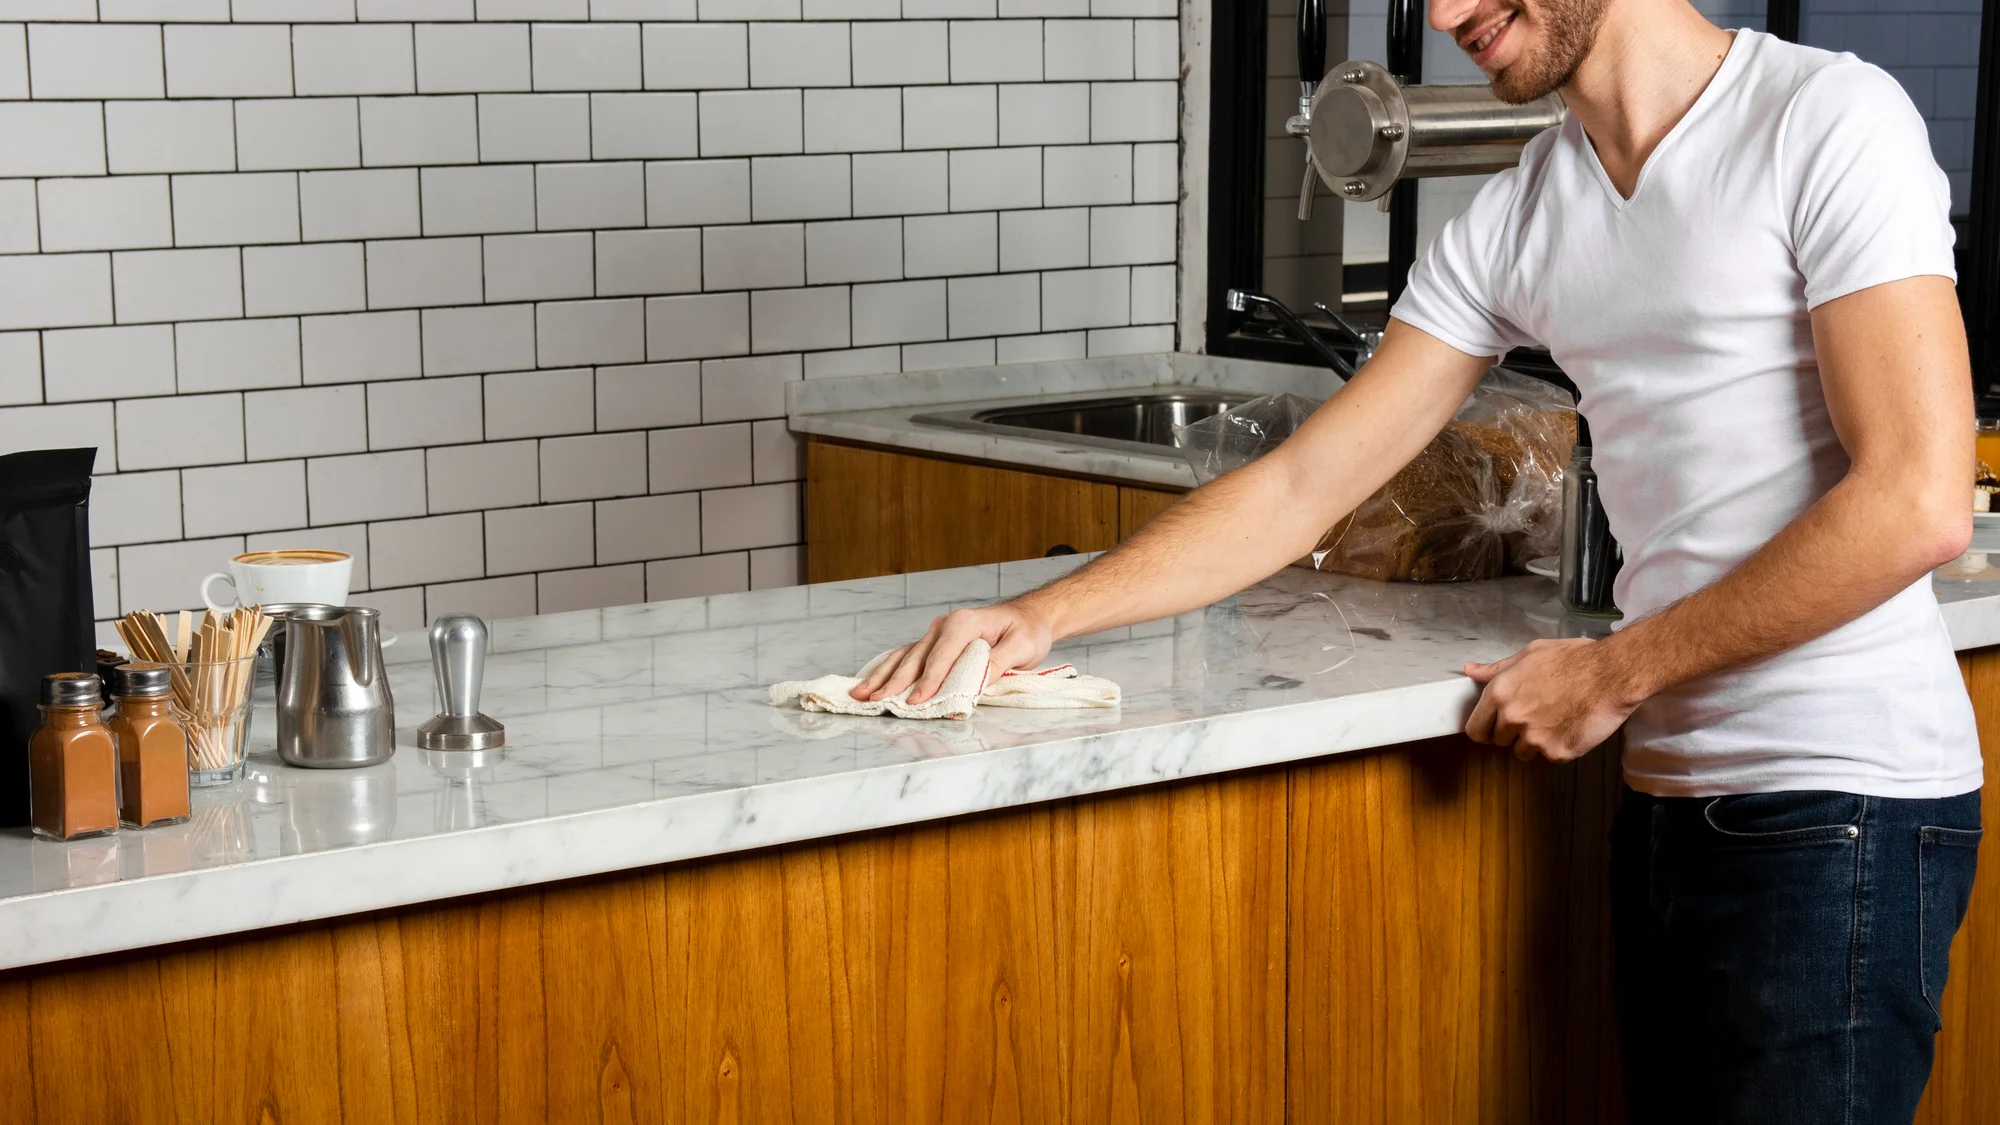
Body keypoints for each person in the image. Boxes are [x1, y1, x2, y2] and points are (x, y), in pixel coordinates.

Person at [853, 0, 1986, 1119]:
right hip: (1668, 801)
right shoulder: (1522, 211)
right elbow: (1304, 484)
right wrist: (1046, 615)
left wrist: (1609, 672)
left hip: (1846, 802)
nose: (1445, 12)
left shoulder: (1821, 118)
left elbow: (1913, 500)